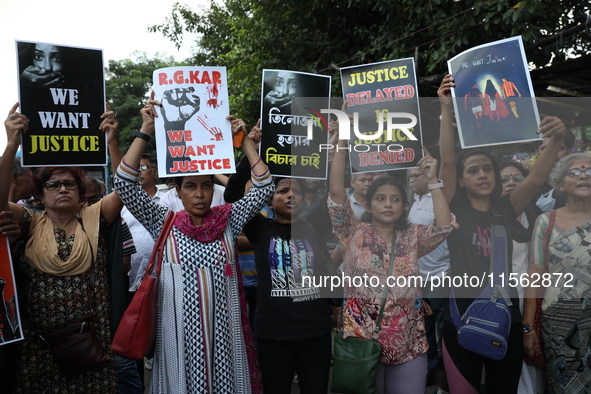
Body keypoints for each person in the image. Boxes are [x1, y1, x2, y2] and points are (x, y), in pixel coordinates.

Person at [114, 94, 273, 393]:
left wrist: (245, 142)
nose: (199, 194)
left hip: (225, 337)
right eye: (190, 186)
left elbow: (264, 186)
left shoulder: (229, 219)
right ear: (179, 191)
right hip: (176, 338)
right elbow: (124, 183)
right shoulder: (165, 221)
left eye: (205, 186)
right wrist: (146, 127)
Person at [438, 74, 566, 393]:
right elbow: (449, 160)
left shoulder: (506, 208)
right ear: (463, 181)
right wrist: (444, 110)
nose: (483, 175)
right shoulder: (455, 207)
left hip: (505, 321)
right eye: (474, 171)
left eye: (487, 169)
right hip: (460, 319)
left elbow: (537, 176)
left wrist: (557, 137)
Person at [0, 103, 124, 392]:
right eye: (53, 185)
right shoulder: (30, 220)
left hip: (90, 344)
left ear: (82, 195)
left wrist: (113, 142)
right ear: (40, 195)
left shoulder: (95, 218)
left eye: (70, 184)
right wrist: (11, 144)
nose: (63, 189)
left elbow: (127, 191)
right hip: (40, 349)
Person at [329, 130, 457, 393]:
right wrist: (342, 140)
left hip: (409, 346)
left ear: (404, 205)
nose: (388, 204)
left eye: (395, 199)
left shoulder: (413, 236)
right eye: (381, 198)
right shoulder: (352, 232)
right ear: (369, 204)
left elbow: (444, 226)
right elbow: (335, 192)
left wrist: (433, 179)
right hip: (361, 345)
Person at [524, 153, 591, 393]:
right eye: (575, 172)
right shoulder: (546, 221)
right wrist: (528, 328)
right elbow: (535, 274)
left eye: (589, 171)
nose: (584, 175)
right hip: (559, 325)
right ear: (561, 184)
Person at [499, 161, 544, 394]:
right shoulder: (492, 220)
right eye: (505, 179)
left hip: (536, 299)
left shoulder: (541, 218)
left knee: (534, 357)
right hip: (506, 301)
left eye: (517, 178)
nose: (511, 183)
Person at [408, 165, 450, 387]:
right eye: (411, 176)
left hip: (440, 274)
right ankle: (430, 371)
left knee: (443, 329)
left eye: (417, 175)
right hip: (419, 277)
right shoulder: (414, 201)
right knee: (424, 328)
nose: (412, 180)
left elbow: (449, 229)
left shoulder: (440, 197)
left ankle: (447, 374)